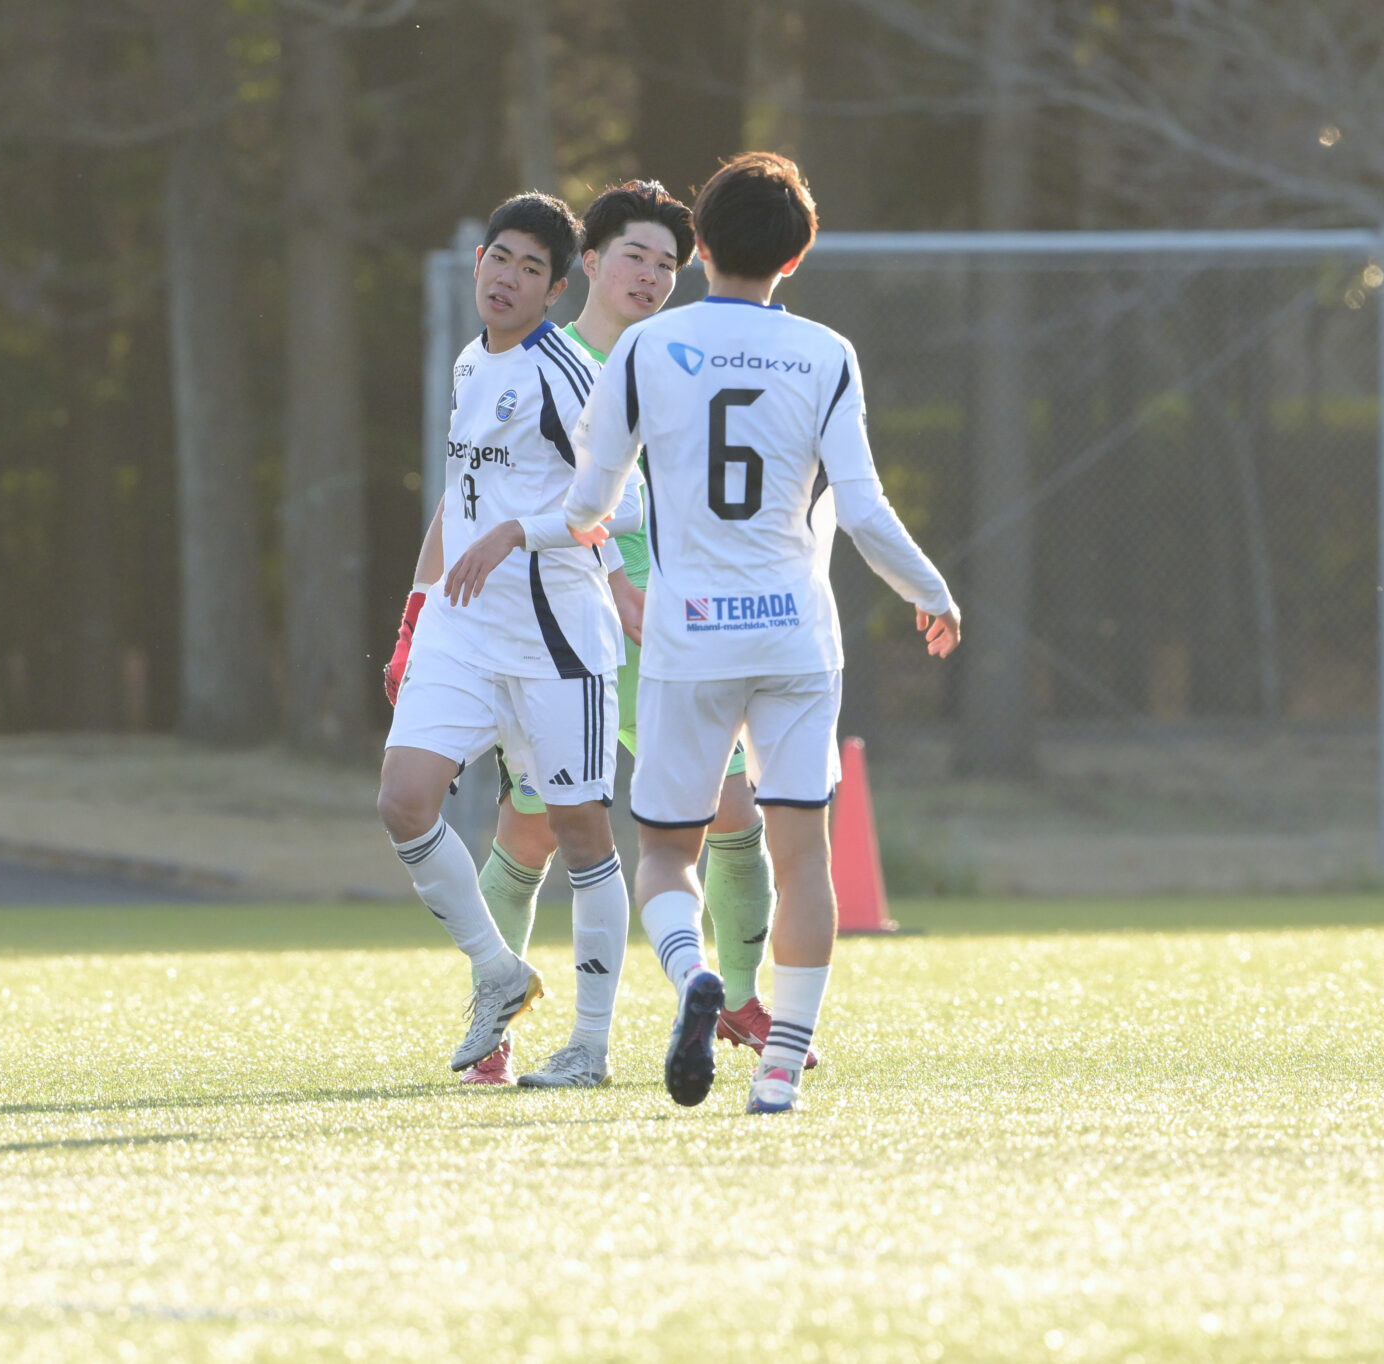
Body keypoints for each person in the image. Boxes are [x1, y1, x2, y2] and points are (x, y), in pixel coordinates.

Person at [385, 180, 812, 1086]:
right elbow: (473, 499)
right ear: (588, 266)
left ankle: (732, 998)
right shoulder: (525, 355)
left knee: (728, 814)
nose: (650, 276)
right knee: (529, 831)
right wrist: (418, 613)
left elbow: (666, 496)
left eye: (667, 263)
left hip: (662, 622)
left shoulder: (685, 360)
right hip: (558, 620)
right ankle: (500, 1018)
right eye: (634, 257)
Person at [562, 152, 960, 1114]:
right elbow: (862, 509)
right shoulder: (826, 353)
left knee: (668, 851)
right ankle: (781, 1067)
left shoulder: (647, 349)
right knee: (802, 855)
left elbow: (590, 499)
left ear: (698, 244)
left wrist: (585, 525)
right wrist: (932, 590)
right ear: (798, 255)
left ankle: (695, 972)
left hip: (689, 637)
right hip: (795, 638)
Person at [376, 192, 642, 1082]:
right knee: (404, 800)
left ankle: (590, 1045)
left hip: (557, 642)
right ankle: (499, 972)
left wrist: (519, 534)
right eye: (500, 258)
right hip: (463, 633)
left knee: (579, 833)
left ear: (556, 289)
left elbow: (624, 503)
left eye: (532, 269)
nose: (509, 278)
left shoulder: (565, 371)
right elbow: (460, 501)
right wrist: (415, 615)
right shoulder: (467, 363)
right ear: (479, 261)